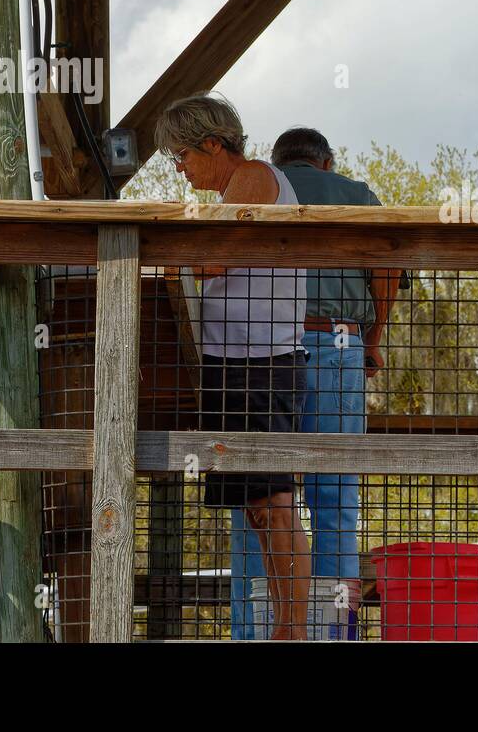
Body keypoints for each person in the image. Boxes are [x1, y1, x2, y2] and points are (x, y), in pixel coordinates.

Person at [154, 92, 310, 640]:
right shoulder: (230, 191)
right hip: (232, 364)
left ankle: (292, 631)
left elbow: (212, 258)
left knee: (275, 505)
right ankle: (284, 627)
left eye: (183, 155)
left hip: (263, 363)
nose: (180, 168)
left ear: (213, 143)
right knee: (257, 509)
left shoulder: (253, 177)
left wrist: (162, 244)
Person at [273, 126, 401, 638]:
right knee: (336, 497)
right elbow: (386, 268)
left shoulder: (261, 188)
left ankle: (259, 628)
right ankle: (335, 632)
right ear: (327, 162)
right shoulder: (357, 195)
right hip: (338, 342)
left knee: (260, 493)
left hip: (265, 349)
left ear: (278, 161)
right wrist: (373, 338)